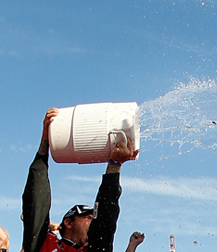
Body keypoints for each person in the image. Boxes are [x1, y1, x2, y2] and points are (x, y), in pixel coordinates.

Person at [22, 107, 139, 252]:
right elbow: (36, 202)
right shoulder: (44, 244)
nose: (93, 222)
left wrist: (114, 166)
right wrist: (46, 140)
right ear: (68, 223)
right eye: (88, 218)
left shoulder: (93, 249)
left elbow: (104, 219)